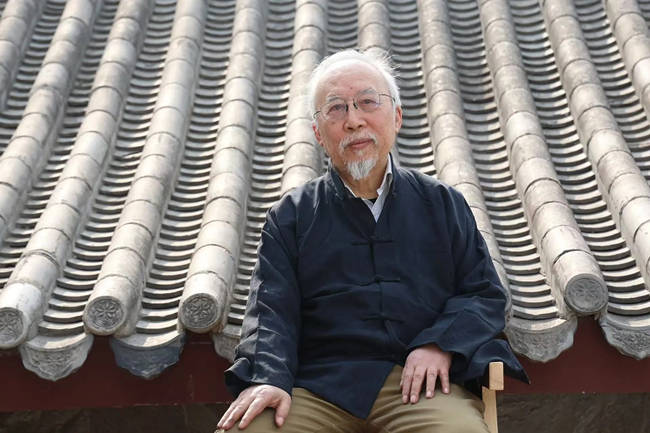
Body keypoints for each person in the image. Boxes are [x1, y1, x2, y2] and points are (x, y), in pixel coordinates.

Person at [216, 49, 527, 433]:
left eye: (367, 102)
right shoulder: (291, 216)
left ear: (397, 116)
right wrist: (268, 377)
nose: (353, 120)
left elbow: (483, 292)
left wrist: (439, 344)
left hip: (421, 383)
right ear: (318, 134)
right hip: (317, 385)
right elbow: (270, 312)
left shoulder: (442, 204)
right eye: (336, 109)